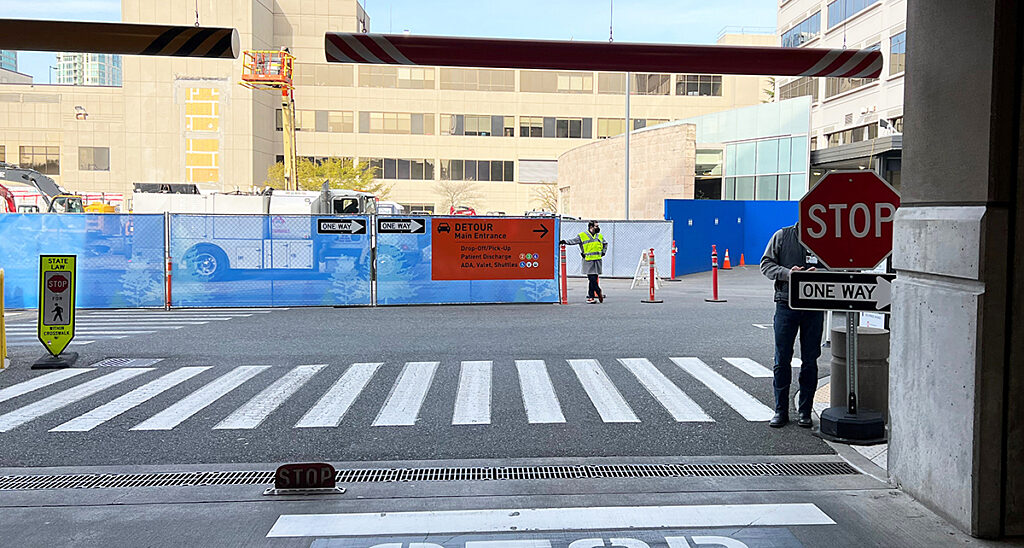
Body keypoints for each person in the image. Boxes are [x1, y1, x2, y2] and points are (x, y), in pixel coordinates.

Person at [760, 222, 825, 428]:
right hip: (786, 303)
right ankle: (780, 411)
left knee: (810, 360)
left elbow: (837, 268)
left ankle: (805, 412)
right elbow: (766, 265)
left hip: (814, 306)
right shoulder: (782, 235)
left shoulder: (825, 238)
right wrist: (789, 273)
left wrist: (820, 273)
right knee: (782, 358)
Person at [560, 221, 607, 304]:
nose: (598, 228)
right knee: (591, 278)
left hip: (597, 260)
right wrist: (565, 242)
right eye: (596, 226)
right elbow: (574, 241)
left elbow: (605, 244)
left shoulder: (599, 236)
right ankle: (598, 290)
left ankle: (591, 297)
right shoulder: (583, 235)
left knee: (593, 279)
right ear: (591, 227)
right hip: (588, 260)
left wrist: (603, 252)